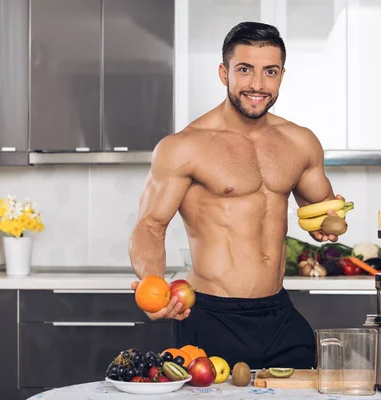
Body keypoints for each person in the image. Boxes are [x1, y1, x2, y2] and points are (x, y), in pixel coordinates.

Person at [128, 21, 346, 370]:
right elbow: (150, 226)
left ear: (282, 76)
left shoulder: (300, 142)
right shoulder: (184, 147)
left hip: (279, 313)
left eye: (269, 72)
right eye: (245, 70)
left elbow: (319, 210)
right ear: (223, 72)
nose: (257, 85)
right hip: (212, 317)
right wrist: (153, 285)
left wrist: (326, 225)